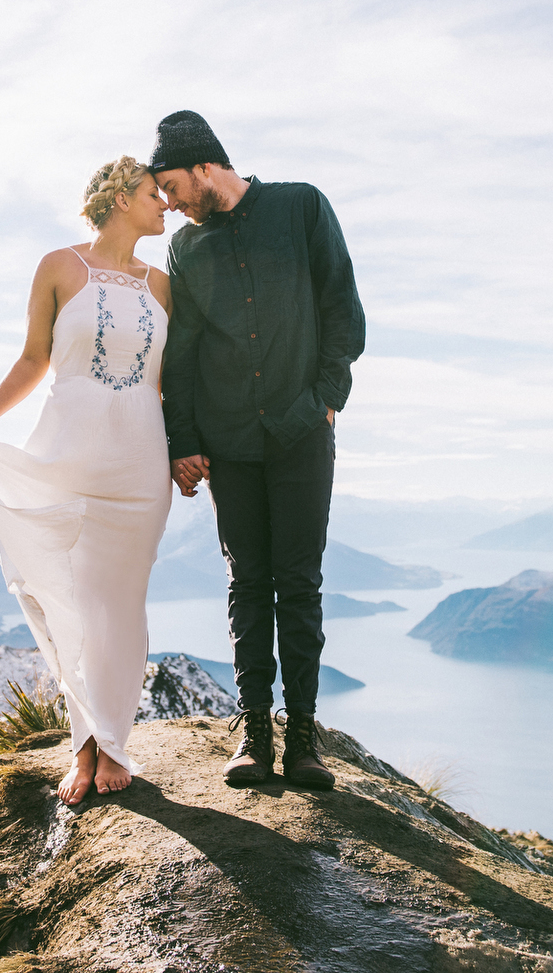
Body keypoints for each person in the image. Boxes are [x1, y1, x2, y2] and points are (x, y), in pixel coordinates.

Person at [0, 157, 173, 806]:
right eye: (155, 194)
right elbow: (34, 358)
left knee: (121, 604)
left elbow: (172, 381)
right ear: (122, 197)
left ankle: (114, 745)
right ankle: (82, 747)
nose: (166, 205)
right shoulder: (59, 267)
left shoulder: (164, 284)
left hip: (140, 463)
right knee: (71, 601)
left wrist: (191, 452)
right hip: (69, 454)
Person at [151, 111, 365, 789]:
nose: (171, 203)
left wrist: (326, 396)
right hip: (230, 442)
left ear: (206, 166)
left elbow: (342, 306)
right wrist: (181, 441)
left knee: (299, 583)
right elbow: (180, 353)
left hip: (304, 433)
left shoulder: (302, 207)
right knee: (247, 583)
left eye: (174, 186)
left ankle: (302, 739)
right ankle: (253, 733)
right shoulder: (186, 250)